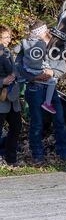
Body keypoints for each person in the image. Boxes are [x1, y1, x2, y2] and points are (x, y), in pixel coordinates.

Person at [15, 20, 66, 164]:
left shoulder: (56, 47)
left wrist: (52, 72)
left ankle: (63, 152)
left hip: (51, 89)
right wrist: (33, 76)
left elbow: (62, 68)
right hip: (34, 88)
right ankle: (37, 154)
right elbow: (18, 66)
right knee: (37, 122)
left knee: (59, 120)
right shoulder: (27, 45)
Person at [0, 26, 22, 166]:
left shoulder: (8, 52)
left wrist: (14, 74)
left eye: (9, 37)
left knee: (17, 126)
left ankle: (11, 158)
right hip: (1, 97)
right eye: (6, 37)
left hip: (13, 97)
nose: (9, 40)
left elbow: (16, 70)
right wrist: (2, 81)